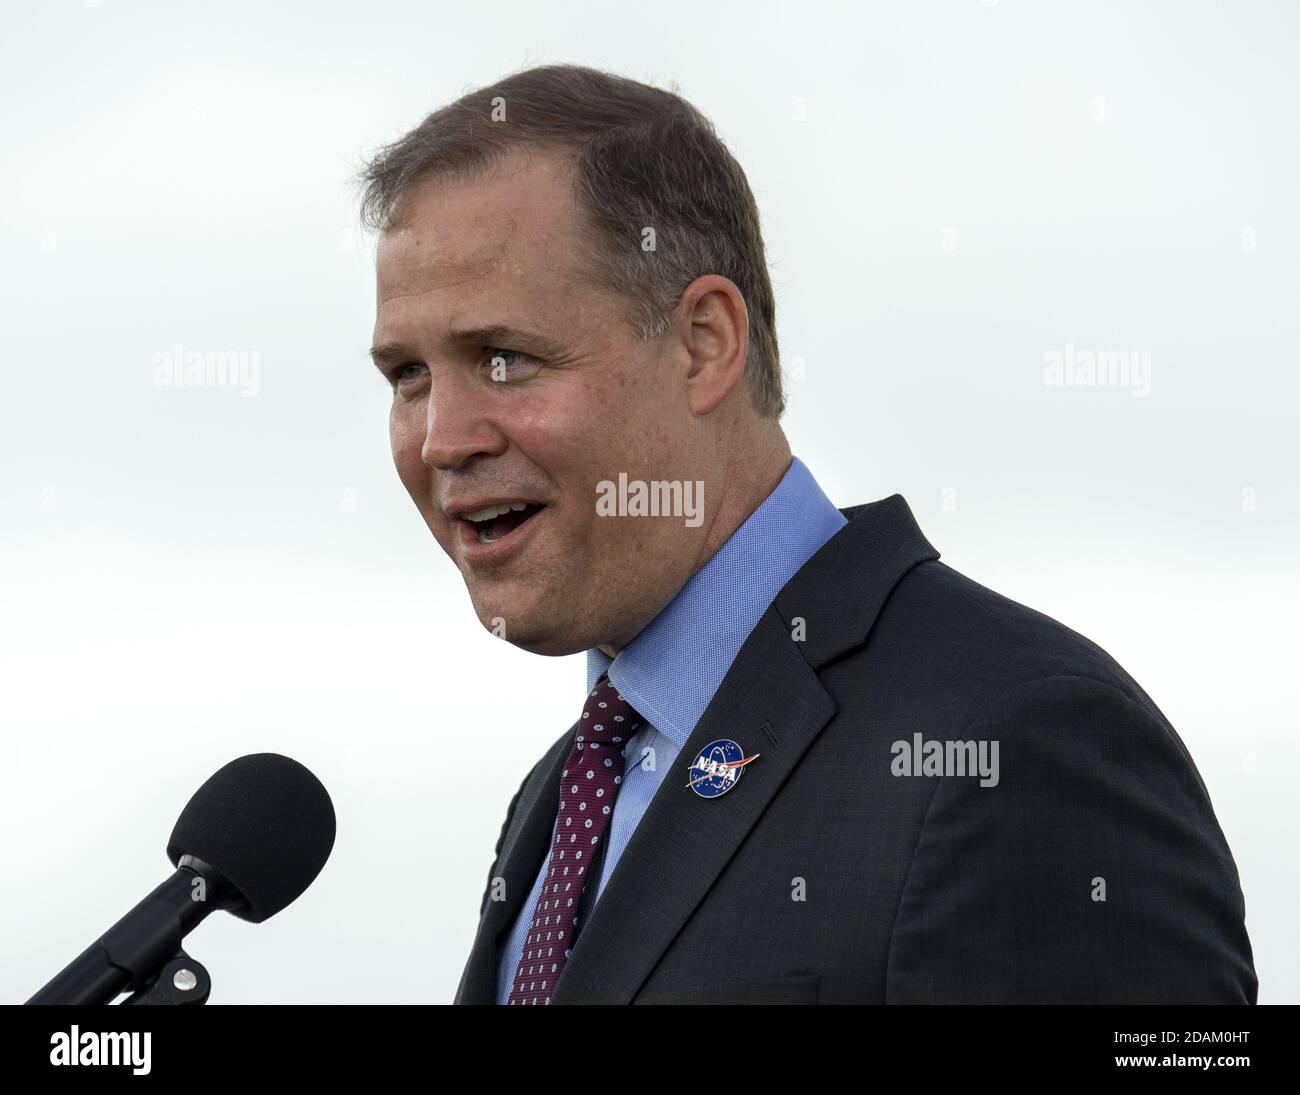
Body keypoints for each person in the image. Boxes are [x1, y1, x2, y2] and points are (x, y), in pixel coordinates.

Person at [357, 63, 1256, 1004]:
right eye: (408, 375)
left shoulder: (1010, 744)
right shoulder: (564, 799)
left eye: (506, 360)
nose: (443, 439)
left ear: (703, 343)